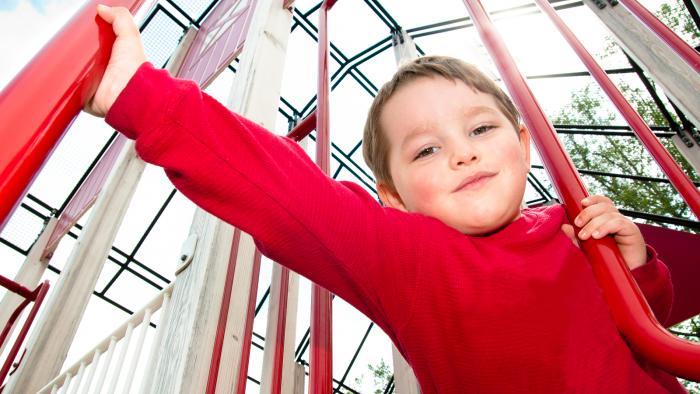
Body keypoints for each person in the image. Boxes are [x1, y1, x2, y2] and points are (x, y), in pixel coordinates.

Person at [87, 5, 685, 393]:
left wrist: (637, 274)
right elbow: (282, 188)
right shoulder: (410, 257)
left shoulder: (576, 232)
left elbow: (645, 341)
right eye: (425, 150)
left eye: (481, 130)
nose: (462, 153)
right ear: (393, 197)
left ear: (523, 142)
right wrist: (141, 96)